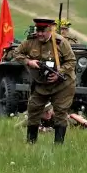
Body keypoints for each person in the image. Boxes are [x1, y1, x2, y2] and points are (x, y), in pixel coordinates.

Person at [12, 17, 77, 145]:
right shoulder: (31, 41)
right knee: (34, 109)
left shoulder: (60, 42)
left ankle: (58, 145)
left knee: (60, 111)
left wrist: (60, 73)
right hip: (41, 84)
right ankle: (31, 143)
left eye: (43, 31)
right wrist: (29, 61)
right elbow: (16, 53)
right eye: (38, 30)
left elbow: (72, 61)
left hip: (62, 84)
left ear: (50, 30)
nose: (40, 34)